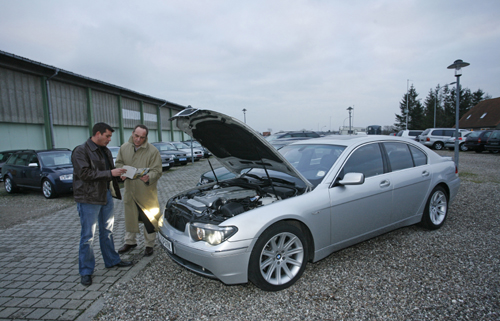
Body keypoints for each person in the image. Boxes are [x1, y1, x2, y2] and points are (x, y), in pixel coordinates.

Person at [72, 122, 133, 287]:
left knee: (107, 231)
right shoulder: (80, 151)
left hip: (105, 195)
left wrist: (117, 176)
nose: (109, 139)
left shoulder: (105, 150)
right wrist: (109, 173)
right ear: (97, 134)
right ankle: (86, 271)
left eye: (110, 136)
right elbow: (84, 173)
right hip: (88, 199)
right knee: (88, 236)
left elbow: (106, 173)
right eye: (107, 136)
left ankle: (112, 261)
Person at [115, 124, 162, 257]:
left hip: (146, 192)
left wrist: (149, 177)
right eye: (136, 136)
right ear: (132, 133)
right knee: (130, 217)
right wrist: (121, 172)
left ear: (146, 137)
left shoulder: (153, 151)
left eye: (142, 137)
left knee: (149, 218)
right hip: (130, 191)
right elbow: (118, 163)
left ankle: (149, 244)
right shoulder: (124, 148)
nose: (138, 140)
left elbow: (157, 170)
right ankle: (130, 241)